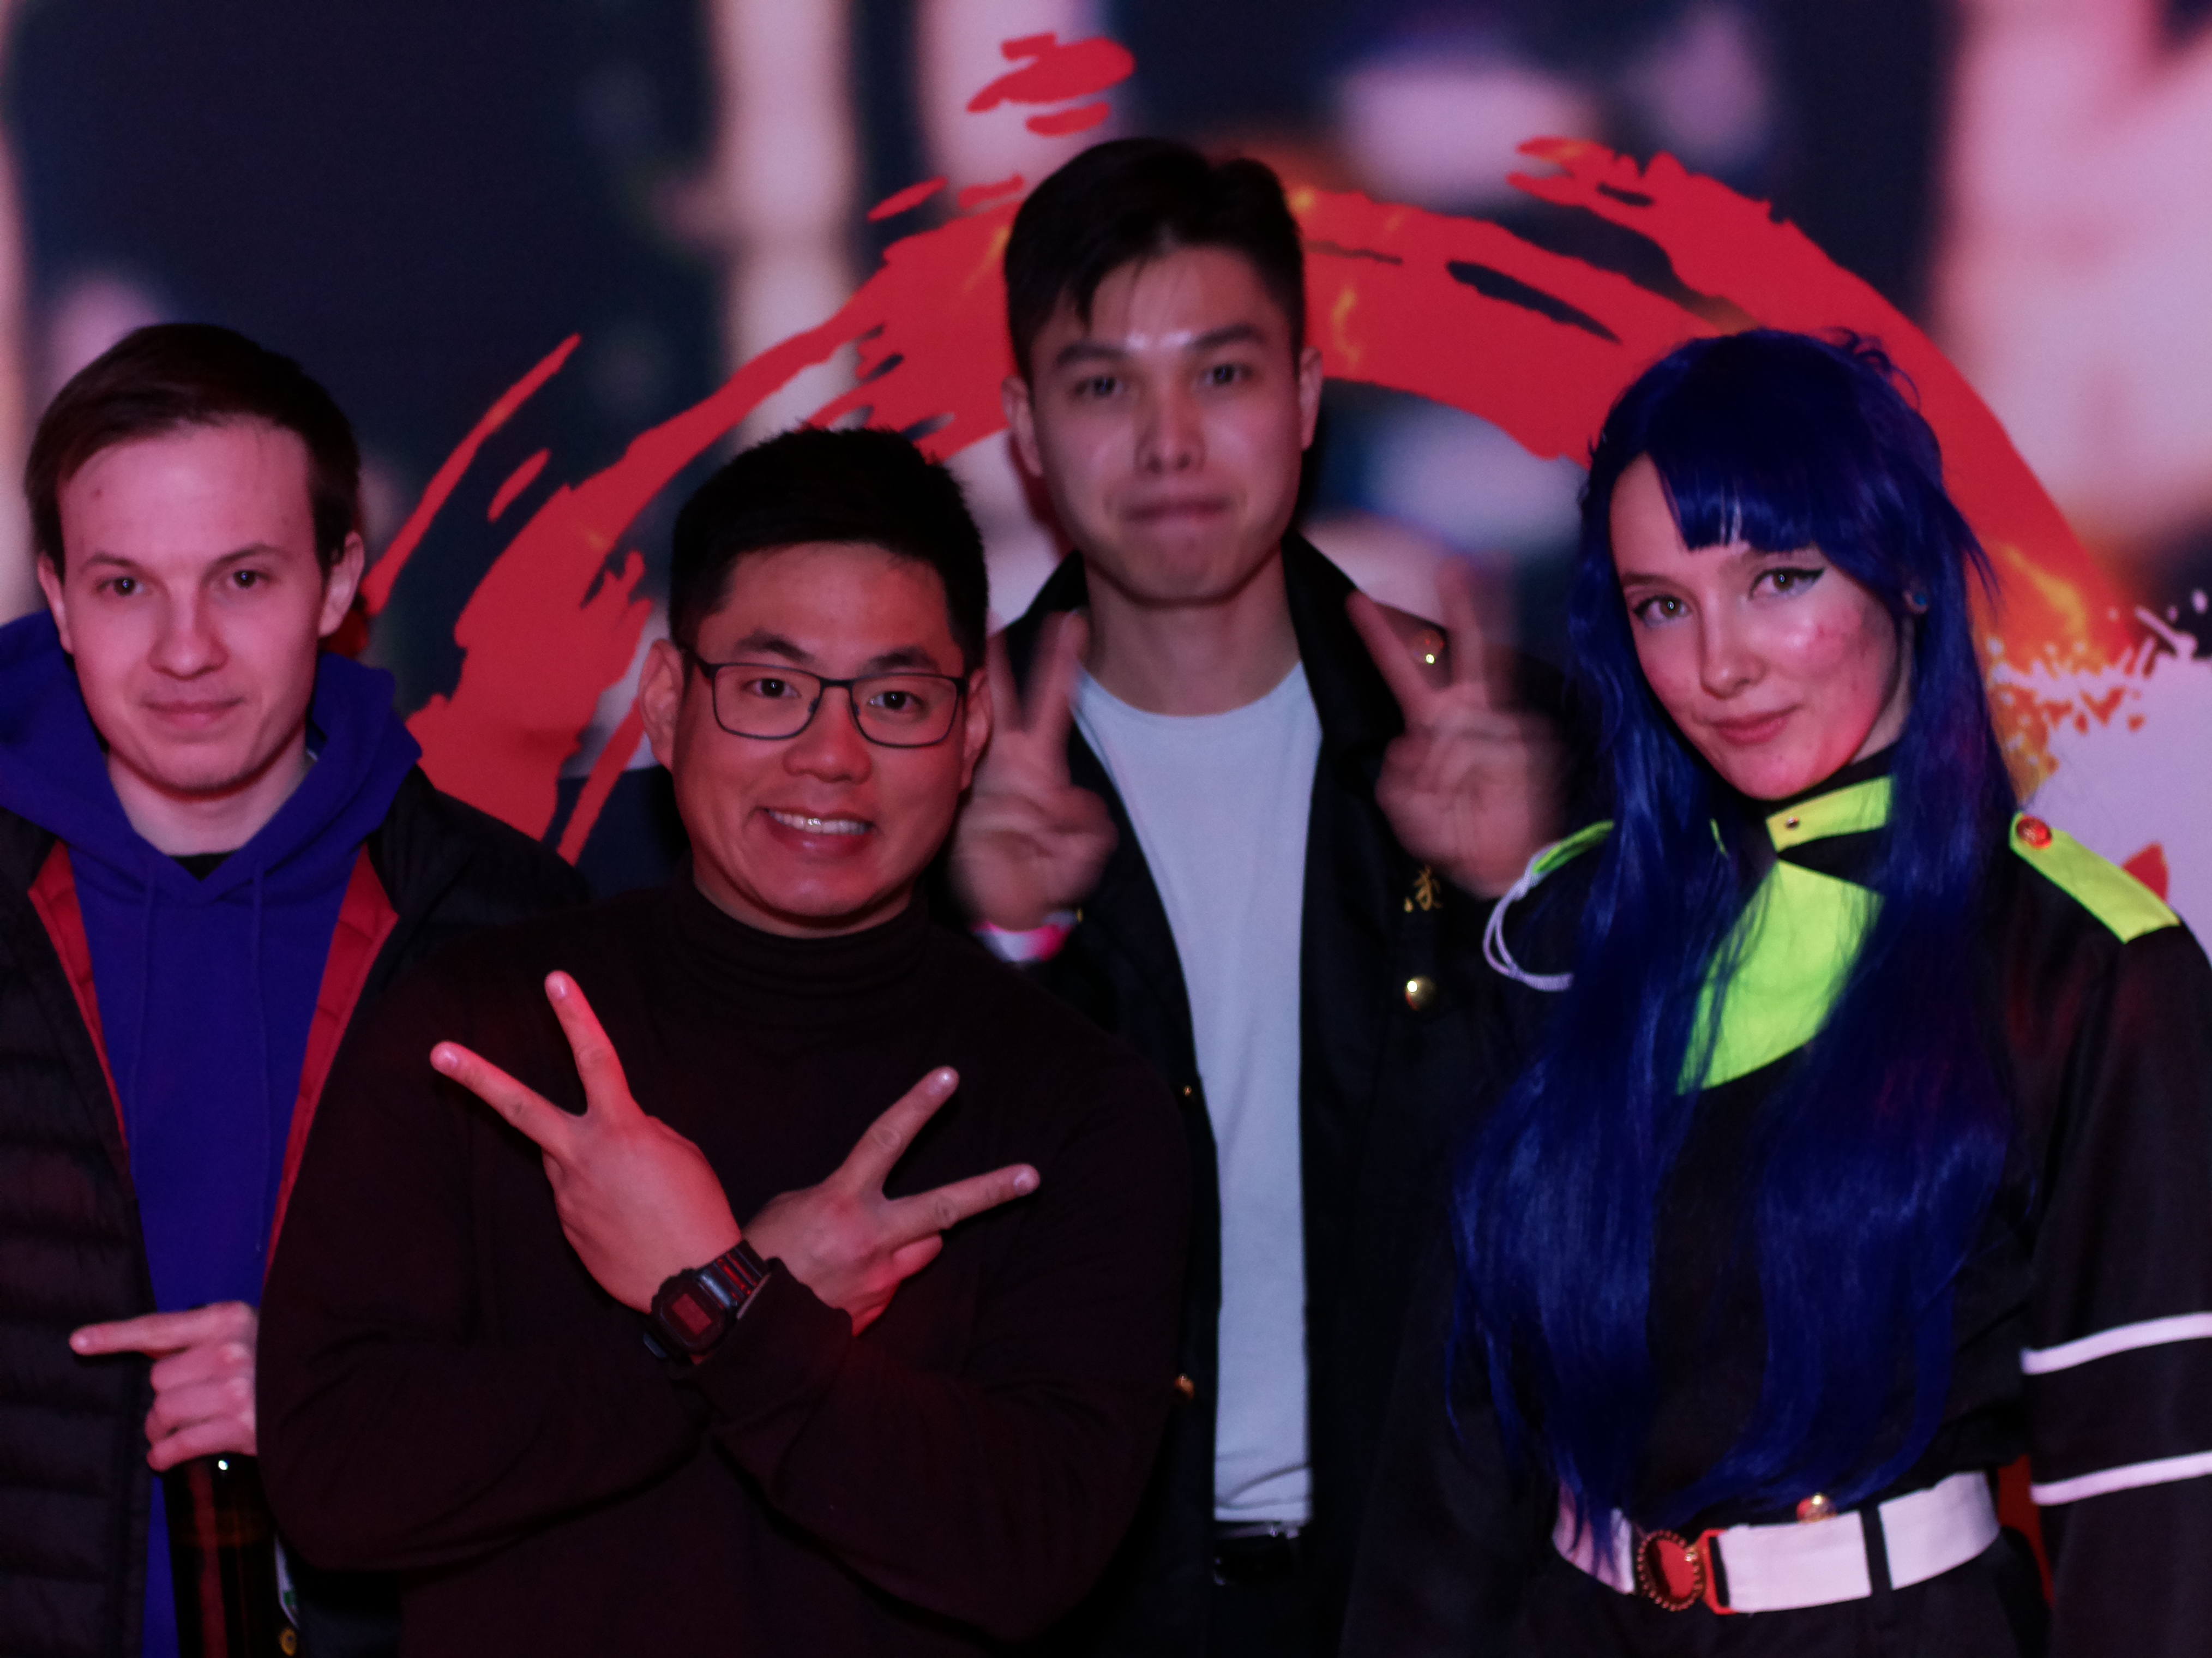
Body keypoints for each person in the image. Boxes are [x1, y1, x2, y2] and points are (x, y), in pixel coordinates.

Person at [1342, 329, 2212, 1655]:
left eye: (1779, 579)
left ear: (1906, 568)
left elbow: (2154, 1505)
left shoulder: (2087, 969)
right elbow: (1455, 1448)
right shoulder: (1565, 931)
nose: (1720, 663)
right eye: (1662, 605)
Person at [256, 426, 1190, 1655]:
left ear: (969, 731)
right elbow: (334, 1483)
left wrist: (725, 1302)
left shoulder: (1080, 1105)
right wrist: (709, 1312)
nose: (832, 755)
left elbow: (1030, 1549)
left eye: (897, 700)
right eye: (770, 687)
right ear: (665, 700)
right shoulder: (481, 1033)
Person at [947, 137, 1565, 1656]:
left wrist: (1520, 898)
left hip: (1445, 1598)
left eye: (1219, 376)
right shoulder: (927, 767)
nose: (1168, 443)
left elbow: (1652, 1193)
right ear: (1026, 431)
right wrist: (1001, 944)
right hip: (1077, 1604)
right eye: (1104, 386)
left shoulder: (1510, 742)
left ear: (1303, 396)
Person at [0, 323, 586, 1658]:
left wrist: (345, 1401)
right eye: (126, 585)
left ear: (340, 582)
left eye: (244, 578)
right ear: (58, 597)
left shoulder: (508, 923)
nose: (187, 649)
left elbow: (608, 1388)